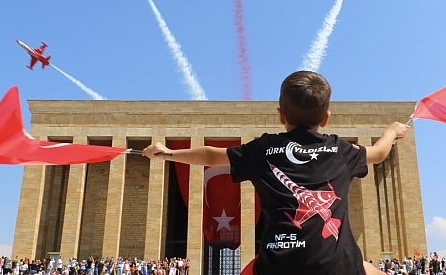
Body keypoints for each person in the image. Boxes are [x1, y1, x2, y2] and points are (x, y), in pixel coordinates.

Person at [144, 70, 409, 275]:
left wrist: (168, 153)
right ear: (326, 117)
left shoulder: (264, 149)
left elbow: (212, 155)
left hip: (277, 264)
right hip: (338, 266)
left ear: (281, 115)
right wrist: (392, 131)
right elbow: (378, 153)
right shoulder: (340, 150)